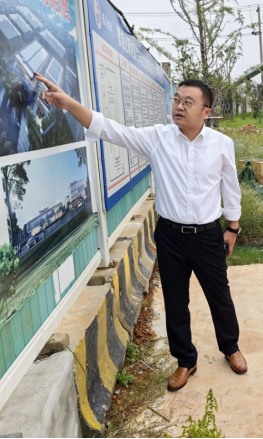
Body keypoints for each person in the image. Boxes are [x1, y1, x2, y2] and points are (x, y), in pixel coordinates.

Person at [35, 73, 248, 391]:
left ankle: (230, 347)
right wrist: (67, 103)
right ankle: (185, 360)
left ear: (206, 111)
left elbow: (230, 188)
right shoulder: (158, 138)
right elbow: (110, 129)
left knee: (220, 296)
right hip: (170, 235)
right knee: (175, 301)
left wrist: (233, 227)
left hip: (206, 235)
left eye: (188, 102)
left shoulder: (221, 145)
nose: (179, 106)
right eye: (177, 100)